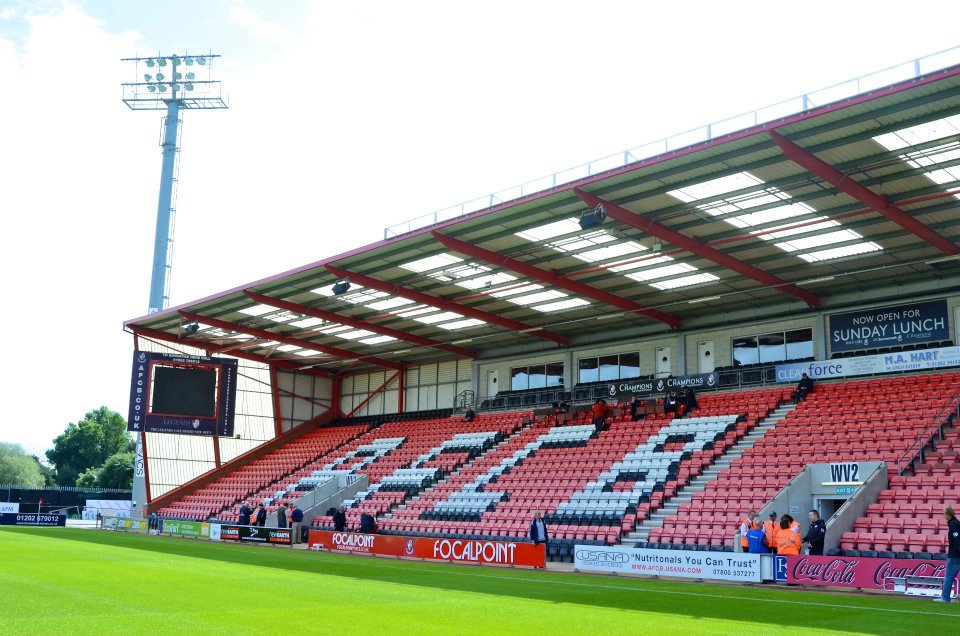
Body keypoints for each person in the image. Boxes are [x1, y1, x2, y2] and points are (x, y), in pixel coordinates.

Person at [935, 506, 960, 602]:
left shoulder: (953, 525)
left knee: (949, 577)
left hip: (955, 556)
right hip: (956, 554)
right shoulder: (955, 523)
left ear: (948, 515)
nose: (944, 515)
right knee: (949, 576)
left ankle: (945, 598)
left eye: (944, 514)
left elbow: (957, 541)